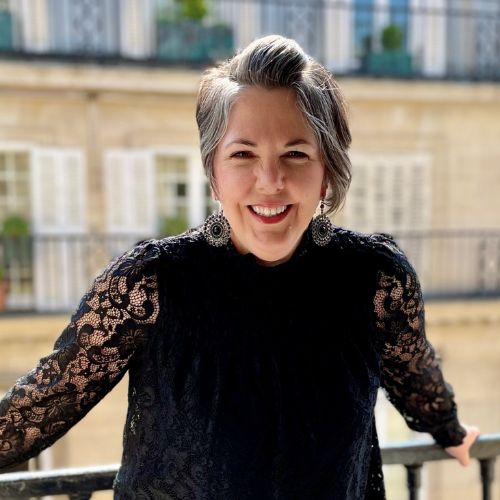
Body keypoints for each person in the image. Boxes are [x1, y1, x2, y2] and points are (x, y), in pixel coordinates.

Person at [0, 35, 479, 499]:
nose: (270, 180)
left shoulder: (376, 280)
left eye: (295, 154)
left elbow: (413, 373)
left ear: (326, 173)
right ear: (213, 173)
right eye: (243, 154)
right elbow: (44, 401)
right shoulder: (150, 284)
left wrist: (450, 430)